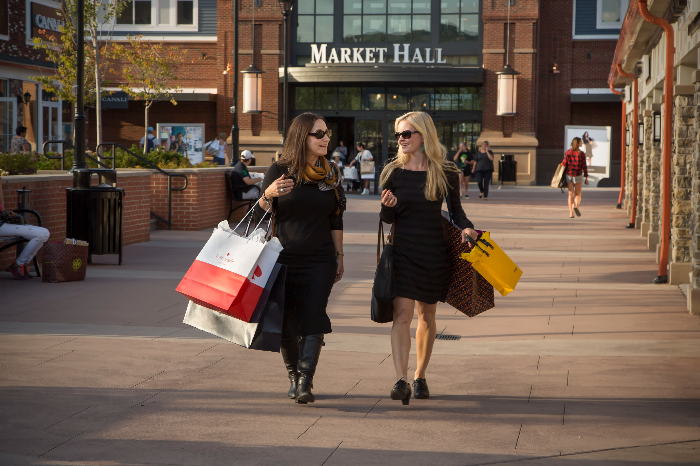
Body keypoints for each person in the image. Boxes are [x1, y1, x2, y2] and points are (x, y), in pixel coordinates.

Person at [379, 111, 477, 405]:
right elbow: (386, 218)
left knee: (427, 315)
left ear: (424, 135)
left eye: (407, 133)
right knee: (402, 316)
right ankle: (400, 379)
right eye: (398, 134)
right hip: (403, 251)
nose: (401, 139)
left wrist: (467, 227)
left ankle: (420, 376)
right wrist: (388, 206)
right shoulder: (392, 172)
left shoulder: (445, 171)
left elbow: (456, 211)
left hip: (433, 251)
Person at [255, 112, 346, 404]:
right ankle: (293, 376)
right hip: (284, 257)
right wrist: (267, 194)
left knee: (313, 316)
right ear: (301, 137)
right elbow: (258, 215)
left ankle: (306, 380)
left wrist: (339, 254)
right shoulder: (280, 170)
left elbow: (336, 219)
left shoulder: (331, 172)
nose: (325, 139)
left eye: (326, 133)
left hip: (321, 258)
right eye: (318, 134)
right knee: (286, 320)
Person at [0, 176, 50, 279]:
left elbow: (2, 208)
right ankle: (18, 265)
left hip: (3, 223)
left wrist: (6, 212)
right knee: (40, 234)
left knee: (44, 232)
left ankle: (21, 264)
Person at [562, 137, 589, 218]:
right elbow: (584, 166)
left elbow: (564, 163)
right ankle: (576, 207)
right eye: (581, 142)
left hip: (569, 175)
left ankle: (571, 213)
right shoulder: (581, 154)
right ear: (577, 144)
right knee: (578, 193)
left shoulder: (567, 152)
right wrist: (586, 177)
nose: (582, 143)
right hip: (578, 175)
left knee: (571, 194)